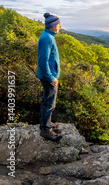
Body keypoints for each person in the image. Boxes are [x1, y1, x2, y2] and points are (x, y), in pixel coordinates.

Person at [37, 12, 63, 141]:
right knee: (50, 103)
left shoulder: (48, 36)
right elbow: (43, 61)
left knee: (47, 100)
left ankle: (46, 123)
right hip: (49, 77)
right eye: (58, 24)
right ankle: (46, 130)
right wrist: (51, 77)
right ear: (53, 25)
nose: (60, 26)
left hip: (49, 75)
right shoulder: (47, 38)